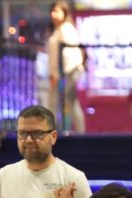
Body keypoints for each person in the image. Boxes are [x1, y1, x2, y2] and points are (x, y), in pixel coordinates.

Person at [46, 1, 85, 133]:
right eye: (52, 11)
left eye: (57, 11)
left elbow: (69, 54)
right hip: (62, 73)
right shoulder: (58, 30)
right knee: (68, 103)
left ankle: (69, 133)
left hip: (67, 72)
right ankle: (74, 132)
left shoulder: (66, 28)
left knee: (66, 103)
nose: (54, 14)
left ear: (64, 12)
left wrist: (58, 74)